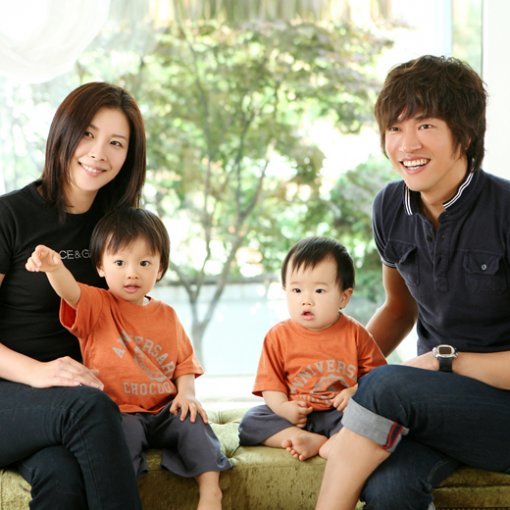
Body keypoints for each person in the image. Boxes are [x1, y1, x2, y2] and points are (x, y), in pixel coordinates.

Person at [315, 55, 510, 510]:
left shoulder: (505, 211)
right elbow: (399, 309)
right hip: (436, 402)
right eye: (395, 127)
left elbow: (413, 376)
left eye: (425, 125)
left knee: (386, 386)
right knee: (388, 489)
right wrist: (340, 370)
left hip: (499, 406)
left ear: (464, 135)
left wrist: (445, 363)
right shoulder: (389, 207)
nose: (407, 144)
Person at [26, 207, 232, 510]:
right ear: (101, 266)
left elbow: (184, 363)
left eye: (144, 263)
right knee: (116, 445)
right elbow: (70, 292)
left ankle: (211, 492)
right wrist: (54, 269)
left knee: (194, 423)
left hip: (164, 409)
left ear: (160, 269)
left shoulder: (167, 315)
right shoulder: (98, 304)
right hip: (118, 411)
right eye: (120, 262)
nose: (132, 273)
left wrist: (187, 394)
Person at [0, 82, 146, 509]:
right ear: (62, 133)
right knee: (89, 408)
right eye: (87, 134)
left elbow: (133, 319)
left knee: (62, 477)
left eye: (116, 143)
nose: (99, 153)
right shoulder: (9, 216)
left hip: (63, 405)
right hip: (16, 393)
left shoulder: (118, 228)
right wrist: (39, 373)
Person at [238, 237, 386, 462]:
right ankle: (301, 437)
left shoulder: (356, 333)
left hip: (339, 415)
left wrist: (354, 391)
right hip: (297, 416)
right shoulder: (278, 336)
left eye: (319, 291)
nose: (306, 300)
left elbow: (379, 379)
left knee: (373, 422)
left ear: (343, 297)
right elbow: (271, 386)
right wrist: (284, 408)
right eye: (297, 290)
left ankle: (332, 441)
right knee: (251, 420)